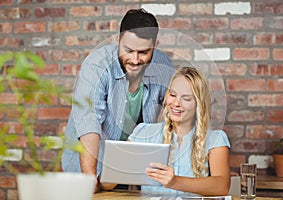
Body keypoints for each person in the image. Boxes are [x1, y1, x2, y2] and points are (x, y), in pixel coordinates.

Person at [61, 8, 175, 192]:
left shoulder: (163, 66)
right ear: (118, 40)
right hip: (89, 168)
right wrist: (89, 181)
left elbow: (175, 111)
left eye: (143, 52)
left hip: (127, 170)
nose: (135, 59)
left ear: (155, 45)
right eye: (128, 50)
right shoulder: (97, 66)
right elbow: (89, 123)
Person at [101, 67, 231, 196]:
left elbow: (221, 186)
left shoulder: (216, 139)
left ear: (199, 104)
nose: (176, 103)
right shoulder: (144, 133)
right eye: (172, 95)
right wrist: (116, 169)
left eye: (186, 98)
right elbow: (105, 183)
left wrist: (175, 182)